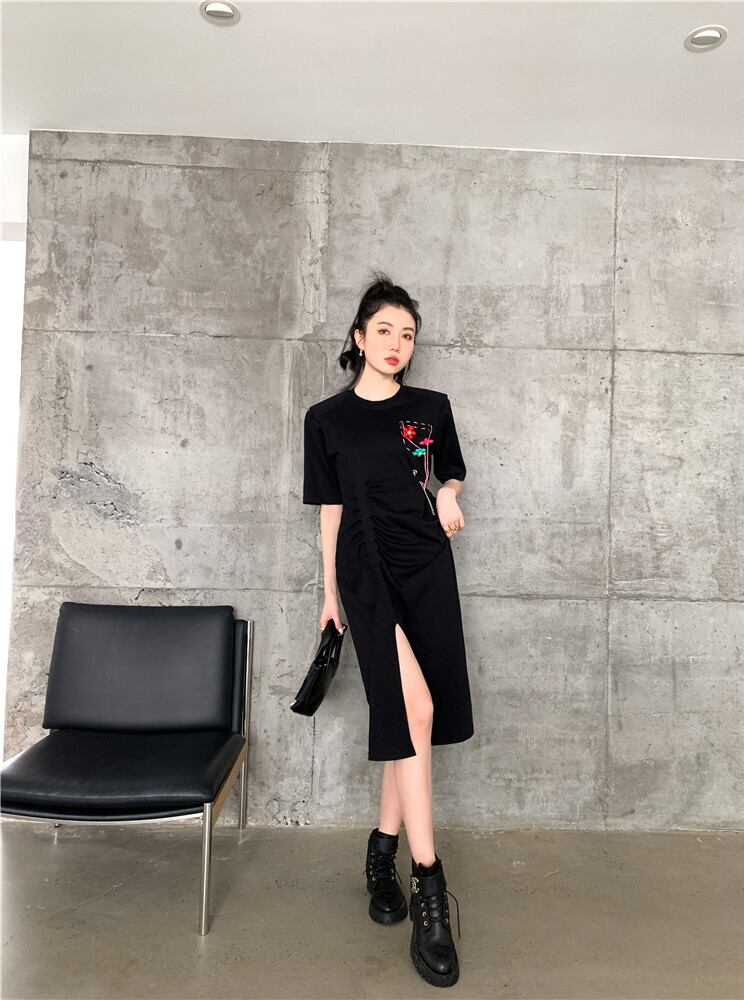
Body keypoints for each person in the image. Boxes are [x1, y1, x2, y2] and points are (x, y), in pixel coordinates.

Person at [302, 271, 474, 988]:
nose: (396, 344)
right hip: (366, 569)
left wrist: (449, 495)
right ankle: (429, 884)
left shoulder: (431, 409)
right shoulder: (326, 419)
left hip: (425, 566)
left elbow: (447, 473)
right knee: (416, 709)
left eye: (407, 334)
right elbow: (330, 509)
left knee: (410, 718)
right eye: (384, 331)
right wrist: (329, 592)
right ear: (359, 337)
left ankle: (381, 849)